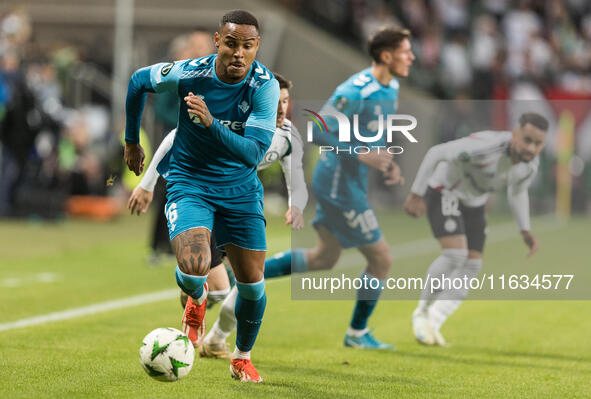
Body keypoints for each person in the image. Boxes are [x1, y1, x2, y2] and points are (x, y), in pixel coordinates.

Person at [123, 10, 279, 382]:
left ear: (257, 47)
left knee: (253, 287)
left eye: (248, 45)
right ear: (217, 41)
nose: (239, 53)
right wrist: (131, 139)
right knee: (194, 266)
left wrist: (211, 124)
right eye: (231, 43)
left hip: (240, 192)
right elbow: (137, 81)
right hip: (190, 182)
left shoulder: (264, 87)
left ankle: (241, 357)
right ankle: (196, 299)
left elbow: (253, 154)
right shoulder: (189, 73)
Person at [248, 27, 415, 350]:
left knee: (324, 258)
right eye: (406, 52)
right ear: (386, 56)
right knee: (381, 259)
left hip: (349, 182)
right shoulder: (356, 90)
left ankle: (243, 274)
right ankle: (356, 333)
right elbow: (318, 130)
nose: (412, 57)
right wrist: (361, 154)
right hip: (338, 184)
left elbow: (373, 136)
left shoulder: (391, 86)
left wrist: (387, 162)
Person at [129, 72, 308, 358]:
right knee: (212, 283)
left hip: (238, 202)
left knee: (226, 291)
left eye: (286, 101)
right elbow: (174, 137)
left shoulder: (287, 136)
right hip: (200, 193)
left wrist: (295, 203)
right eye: (276, 100)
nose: (281, 108)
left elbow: (294, 175)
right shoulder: (239, 123)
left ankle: (211, 335)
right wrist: (147, 184)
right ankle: (197, 301)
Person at [403, 112, 548, 346]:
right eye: (527, 140)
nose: (531, 148)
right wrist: (416, 193)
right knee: (455, 254)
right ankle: (421, 312)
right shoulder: (485, 146)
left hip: (474, 202)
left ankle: (434, 321)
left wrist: (525, 230)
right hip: (445, 190)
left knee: (472, 265)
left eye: (538, 143)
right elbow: (436, 153)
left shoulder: (529, 166)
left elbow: (517, 191)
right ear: (515, 134)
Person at [148, 30, 215, 264]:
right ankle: (158, 246)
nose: (198, 50)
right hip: (176, 142)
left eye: (203, 45)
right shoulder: (177, 74)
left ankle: (209, 248)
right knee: (168, 192)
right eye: (194, 45)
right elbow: (160, 108)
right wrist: (184, 118)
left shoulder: (217, 77)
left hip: (207, 144)